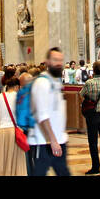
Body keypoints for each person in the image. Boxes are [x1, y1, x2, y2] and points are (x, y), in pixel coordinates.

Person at [30, 47, 70, 175]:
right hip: (43, 142)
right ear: (47, 62)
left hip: (58, 140)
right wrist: (52, 140)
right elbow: (43, 116)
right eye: (55, 60)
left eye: (60, 60)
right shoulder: (42, 83)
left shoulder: (56, 82)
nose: (59, 63)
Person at [0, 67, 27, 176]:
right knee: (17, 161)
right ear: (17, 87)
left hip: (1, 131)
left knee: (2, 159)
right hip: (15, 132)